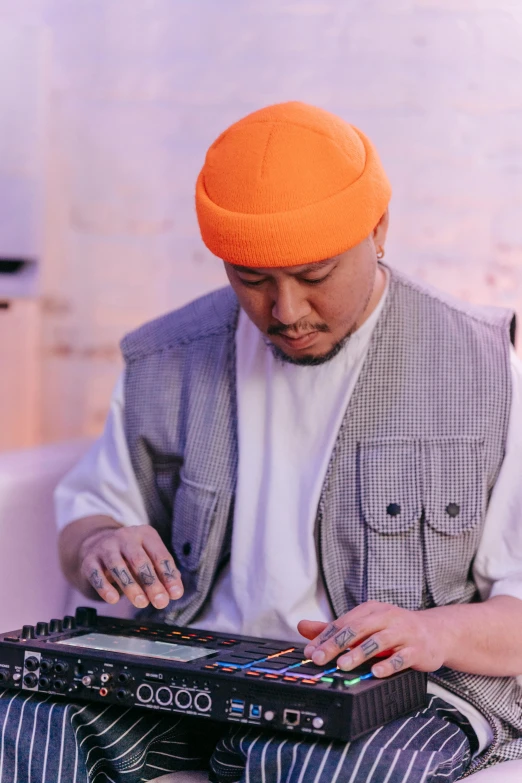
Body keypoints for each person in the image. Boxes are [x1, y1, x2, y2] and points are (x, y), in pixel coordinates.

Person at [2, 101, 522, 782]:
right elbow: (87, 520)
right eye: (251, 278)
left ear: (379, 228)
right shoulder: (166, 357)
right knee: (16, 719)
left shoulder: (483, 367)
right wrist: (102, 543)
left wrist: (434, 631)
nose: (287, 311)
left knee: (319, 767)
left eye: (314, 276)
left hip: (394, 696)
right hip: (199, 673)